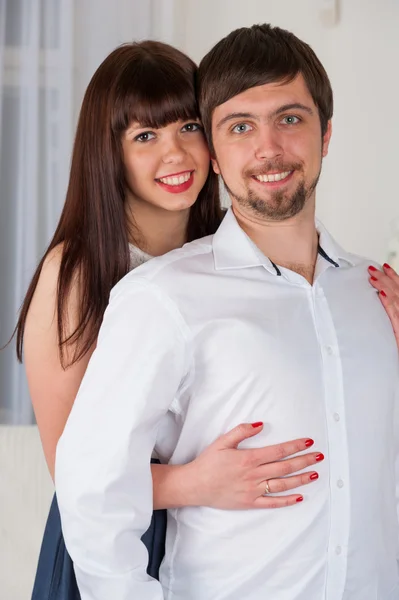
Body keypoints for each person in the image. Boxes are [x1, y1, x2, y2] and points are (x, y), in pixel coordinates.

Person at [55, 24, 399, 600]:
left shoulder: (376, 297)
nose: (269, 148)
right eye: (241, 127)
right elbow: (94, 491)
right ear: (214, 155)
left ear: (327, 134)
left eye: (290, 119)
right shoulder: (161, 298)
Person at [16, 41, 325, 600]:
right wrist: (194, 483)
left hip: (216, 536)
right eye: (144, 136)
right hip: (119, 542)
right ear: (108, 153)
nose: (176, 154)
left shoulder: (230, 257)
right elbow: (76, 474)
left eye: (188, 127)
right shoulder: (77, 272)